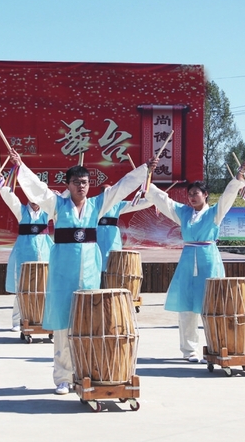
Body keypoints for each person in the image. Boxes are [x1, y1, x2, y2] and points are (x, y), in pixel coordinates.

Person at [9, 150, 154, 395]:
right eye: (76, 182)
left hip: (89, 274)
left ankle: (85, 370)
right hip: (63, 274)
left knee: (88, 324)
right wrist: (21, 166)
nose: (81, 186)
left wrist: (144, 170)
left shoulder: (98, 204)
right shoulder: (57, 205)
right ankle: (63, 378)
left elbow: (121, 187)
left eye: (85, 182)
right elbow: (38, 189)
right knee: (64, 326)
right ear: (68, 185)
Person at [146, 170, 245, 362]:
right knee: (186, 306)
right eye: (190, 194)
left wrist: (238, 179)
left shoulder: (215, 212)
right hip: (187, 260)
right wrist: (147, 181)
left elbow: (228, 196)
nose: (192, 197)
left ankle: (217, 345)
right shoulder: (183, 213)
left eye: (196, 193)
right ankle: (189, 350)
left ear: (205, 194)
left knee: (211, 305)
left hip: (208, 260)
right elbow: (164, 200)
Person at [0, 186, 53, 330]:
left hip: (44, 253)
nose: (35, 200)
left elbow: (64, 201)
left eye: (37, 197)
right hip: (24, 253)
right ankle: (18, 321)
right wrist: (4, 186)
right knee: (22, 288)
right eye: (32, 196)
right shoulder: (21, 211)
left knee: (45, 288)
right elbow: (10, 198)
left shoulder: (48, 212)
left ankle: (45, 320)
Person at [96, 186, 151, 269]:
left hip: (112, 238)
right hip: (97, 237)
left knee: (113, 262)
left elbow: (135, 204)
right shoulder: (93, 204)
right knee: (97, 259)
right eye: (105, 192)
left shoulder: (117, 204)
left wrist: (153, 200)